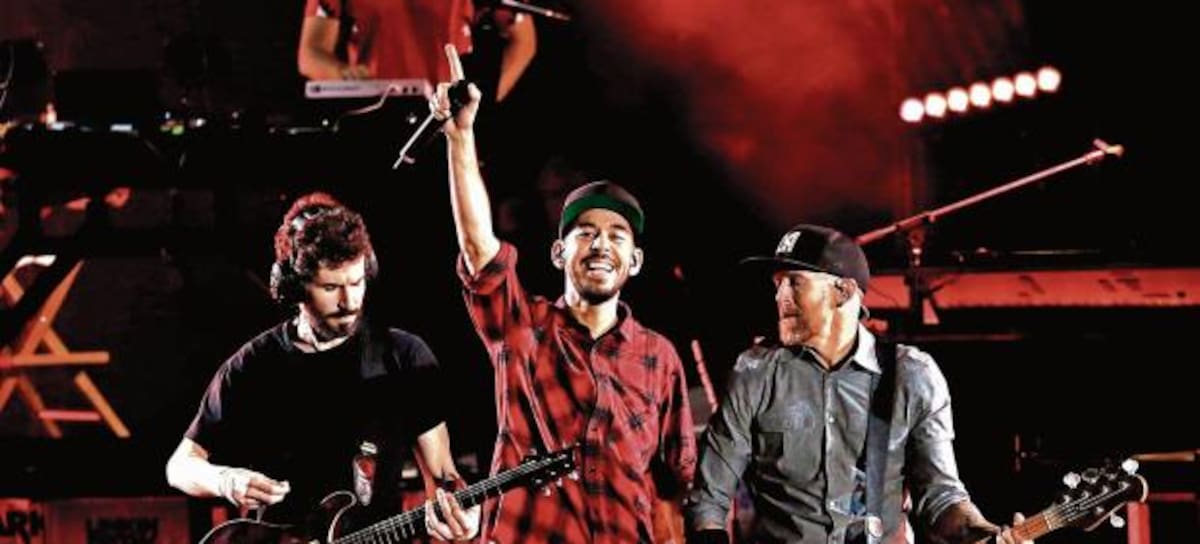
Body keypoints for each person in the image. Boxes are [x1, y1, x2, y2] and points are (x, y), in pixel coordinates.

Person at [434, 47, 697, 542]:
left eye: (617, 235)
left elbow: (673, 486)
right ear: (559, 253)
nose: (601, 245)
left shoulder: (659, 357)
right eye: (586, 233)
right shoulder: (522, 328)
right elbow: (478, 248)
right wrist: (461, 137)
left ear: (636, 261)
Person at [686, 224, 1030, 544]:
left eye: (794, 282)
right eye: (777, 285)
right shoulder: (755, 372)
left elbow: (941, 498)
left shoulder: (912, 376)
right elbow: (709, 498)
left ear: (844, 291)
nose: (779, 297)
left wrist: (983, 532)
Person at [165, 192, 479, 540]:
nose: (349, 302)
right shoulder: (253, 366)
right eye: (330, 287)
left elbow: (443, 475)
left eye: (356, 282)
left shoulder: (404, 357)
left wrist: (462, 522)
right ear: (294, 287)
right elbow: (180, 467)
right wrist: (226, 480)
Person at [297, 0, 536, 102]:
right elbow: (311, 52)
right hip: (372, 115)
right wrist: (343, 74)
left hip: (445, 122)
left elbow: (523, 40)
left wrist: (482, 104)